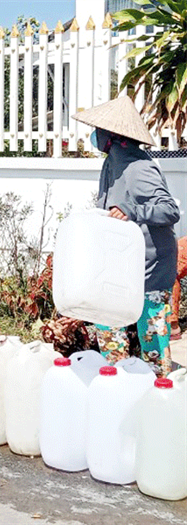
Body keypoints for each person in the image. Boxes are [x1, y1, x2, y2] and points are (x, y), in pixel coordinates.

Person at [72, 95, 180, 377]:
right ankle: (118, 384)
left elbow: (169, 210)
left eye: (98, 130)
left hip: (151, 270)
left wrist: (133, 211)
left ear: (112, 135)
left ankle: (159, 389)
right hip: (123, 267)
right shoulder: (113, 163)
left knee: (152, 341)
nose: (94, 136)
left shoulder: (138, 167)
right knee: (108, 327)